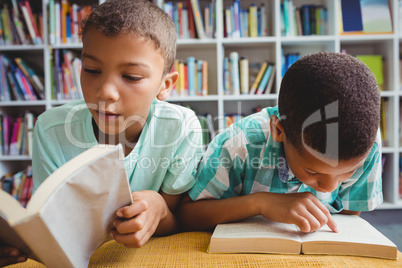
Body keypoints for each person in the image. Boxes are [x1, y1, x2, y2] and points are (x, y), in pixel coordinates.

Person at [0, 1, 203, 264]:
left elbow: (177, 221)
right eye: (92, 70)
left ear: (165, 86)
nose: (105, 91)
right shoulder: (51, 129)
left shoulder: (181, 127)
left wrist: (159, 209)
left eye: (131, 76)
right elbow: (50, 222)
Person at [178, 52, 382, 234]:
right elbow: (186, 215)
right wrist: (259, 204)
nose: (328, 188)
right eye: (312, 171)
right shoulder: (239, 143)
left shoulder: (366, 144)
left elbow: (350, 219)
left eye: (348, 172)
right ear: (278, 130)